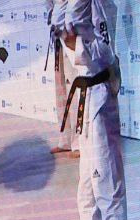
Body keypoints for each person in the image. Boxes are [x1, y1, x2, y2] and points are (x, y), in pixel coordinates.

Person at [57, 0, 130, 220]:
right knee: (86, 188)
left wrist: (75, 41)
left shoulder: (101, 3)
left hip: (100, 102)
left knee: (109, 192)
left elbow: (103, 53)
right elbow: (62, 26)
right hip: (86, 100)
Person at [47, 0, 79, 157]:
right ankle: (65, 139)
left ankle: (78, 143)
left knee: (75, 90)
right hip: (58, 36)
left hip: (73, 36)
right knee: (60, 91)